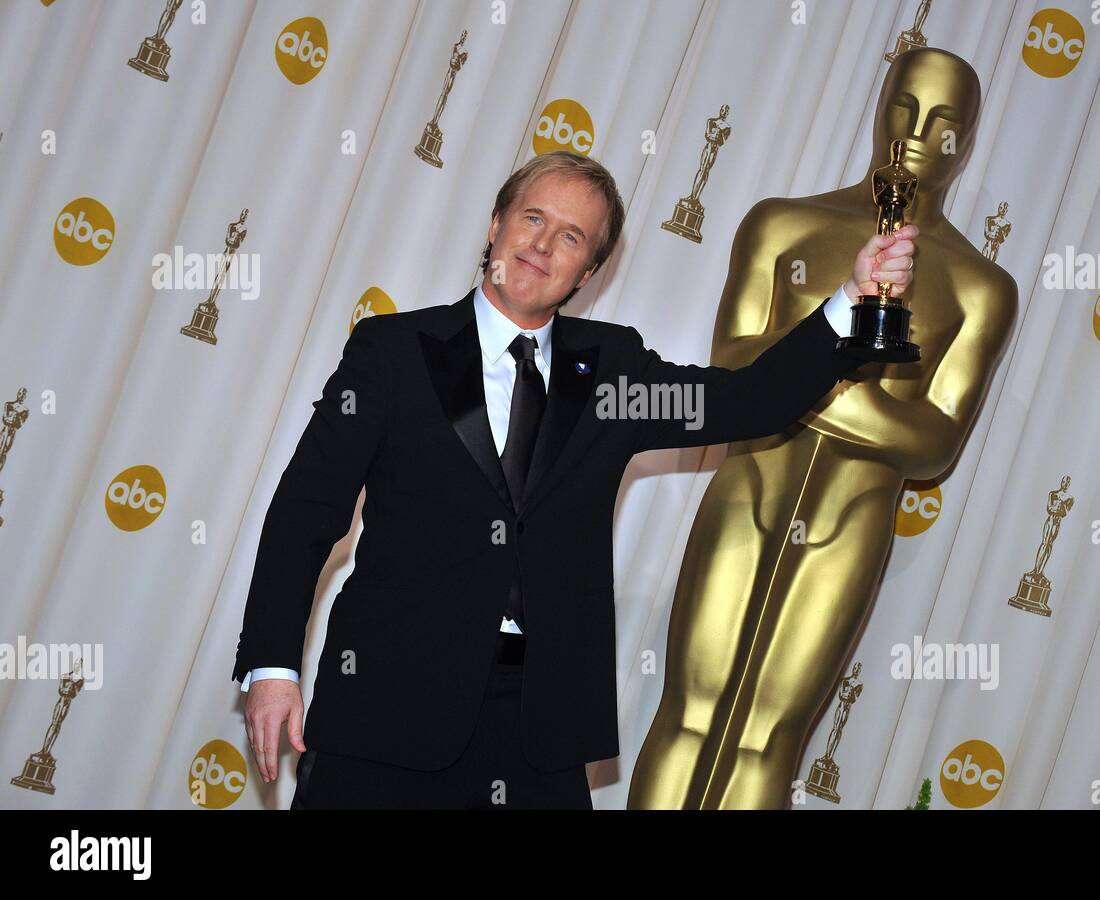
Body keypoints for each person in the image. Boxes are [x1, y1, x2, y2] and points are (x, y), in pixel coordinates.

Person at [232, 150, 916, 808]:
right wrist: (272, 668)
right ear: (496, 223)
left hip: (537, 726)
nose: (541, 245)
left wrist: (853, 297)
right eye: (532, 219)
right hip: (387, 705)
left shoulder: (613, 373)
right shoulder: (393, 352)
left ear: (587, 270)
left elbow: (748, 402)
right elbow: (305, 510)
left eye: (571, 236)